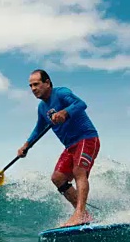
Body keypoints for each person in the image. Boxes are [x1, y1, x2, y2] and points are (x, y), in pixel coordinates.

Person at [18, 69, 100, 227]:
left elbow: (81, 104)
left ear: (47, 82)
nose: (33, 89)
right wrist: (26, 146)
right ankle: (85, 214)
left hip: (86, 138)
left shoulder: (61, 93)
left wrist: (65, 112)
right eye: (30, 86)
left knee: (79, 171)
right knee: (57, 178)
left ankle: (80, 214)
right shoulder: (42, 108)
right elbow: (39, 129)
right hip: (70, 146)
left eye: (36, 84)